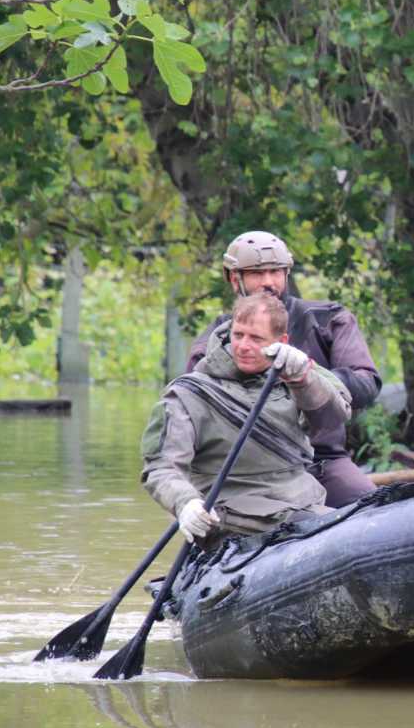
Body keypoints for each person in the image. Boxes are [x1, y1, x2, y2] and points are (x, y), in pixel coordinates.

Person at [187, 231, 382, 507]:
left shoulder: (330, 320)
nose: (268, 282)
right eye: (257, 273)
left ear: (286, 274)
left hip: (324, 462)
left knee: (371, 509)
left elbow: (367, 385)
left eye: (276, 272)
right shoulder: (213, 344)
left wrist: (308, 375)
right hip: (249, 474)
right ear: (234, 279)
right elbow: (191, 417)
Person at [144, 293, 352, 543]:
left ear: (282, 340)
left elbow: (332, 420)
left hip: (303, 504)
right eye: (238, 334)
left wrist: (302, 380)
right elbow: (161, 467)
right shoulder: (188, 393)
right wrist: (185, 503)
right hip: (230, 516)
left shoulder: (298, 372)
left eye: (256, 338)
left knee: (360, 526)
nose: (243, 346)